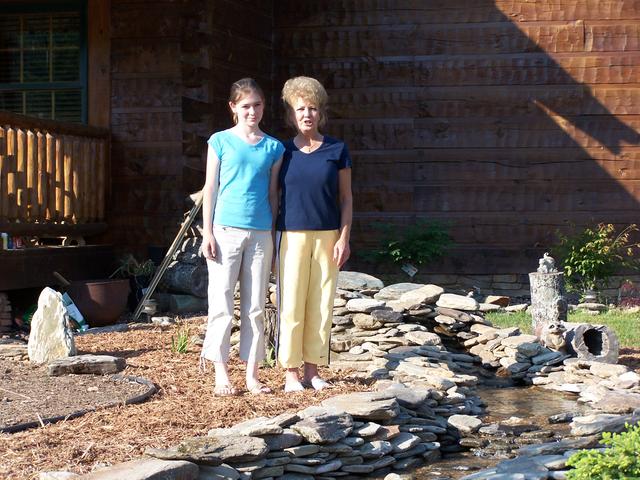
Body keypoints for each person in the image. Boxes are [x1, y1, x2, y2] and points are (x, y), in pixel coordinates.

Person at [200, 78, 284, 396]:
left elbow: (274, 195)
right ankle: (221, 373)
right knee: (221, 301)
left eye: (258, 105)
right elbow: (211, 188)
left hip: (261, 233)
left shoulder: (274, 147)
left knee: (255, 307)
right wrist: (207, 231)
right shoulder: (220, 141)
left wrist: (273, 237)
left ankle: (251, 374)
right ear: (233, 107)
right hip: (225, 231)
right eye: (246, 105)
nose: (252, 111)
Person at [276, 76, 353, 392]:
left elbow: (346, 198)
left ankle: (313, 370)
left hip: (328, 236)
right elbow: (272, 197)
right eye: (300, 109)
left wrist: (344, 239)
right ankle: (291, 373)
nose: (307, 114)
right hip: (291, 236)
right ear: (291, 115)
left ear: (321, 113)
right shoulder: (282, 152)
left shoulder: (337, 149)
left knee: (321, 304)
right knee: (292, 303)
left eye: (312, 108)